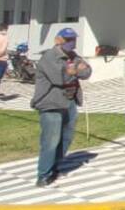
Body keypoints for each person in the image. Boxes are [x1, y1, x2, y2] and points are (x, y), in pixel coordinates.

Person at [31, 28, 92, 187]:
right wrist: (74, 71)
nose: (71, 42)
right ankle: (44, 174)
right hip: (51, 103)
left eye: (73, 39)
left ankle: (55, 166)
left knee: (66, 137)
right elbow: (60, 77)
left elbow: (87, 71)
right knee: (51, 140)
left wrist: (76, 70)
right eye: (68, 39)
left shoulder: (73, 56)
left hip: (69, 101)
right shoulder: (49, 57)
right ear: (59, 40)